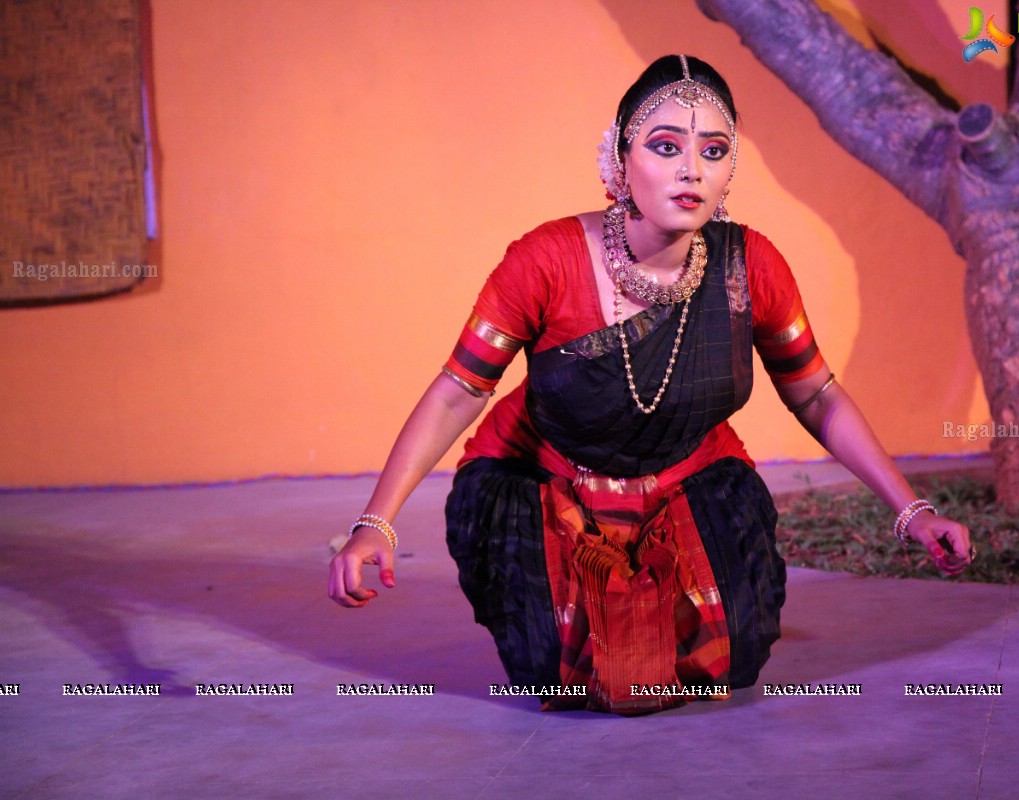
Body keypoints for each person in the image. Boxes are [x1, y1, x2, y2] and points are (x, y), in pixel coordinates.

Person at [328, 54, 973, 715]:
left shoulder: (749, 266)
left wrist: (913, 512)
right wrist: (375, 523)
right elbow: (459, 391)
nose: (692, 168)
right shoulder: (545, 261)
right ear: (619, 157)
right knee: (567, 670)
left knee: (727, 658)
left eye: (714, 150)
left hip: (687, 479)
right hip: (549, 481)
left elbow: (816, 393)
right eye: (666, 146)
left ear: (729, 172)